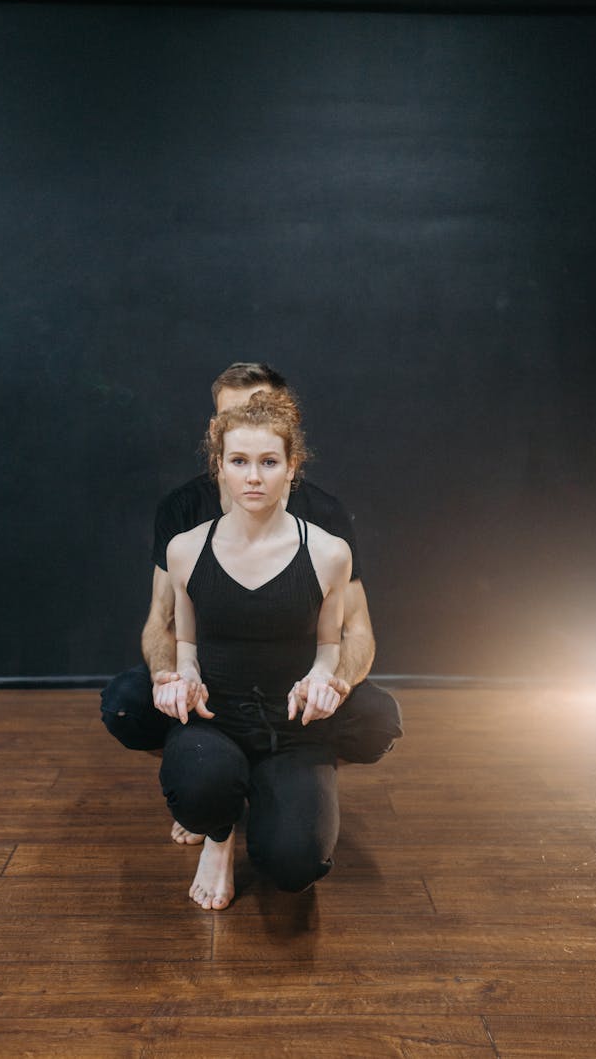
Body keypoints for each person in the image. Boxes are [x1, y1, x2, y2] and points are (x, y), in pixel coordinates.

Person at [100, 363, 402, 848]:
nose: (251, 425)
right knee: (126, 704)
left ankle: (291, 787)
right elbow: (163, 620)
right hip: (215, 675)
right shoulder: (185, 517)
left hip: (293, 680)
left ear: (288, 440)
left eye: (264, 417)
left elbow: (355, 629)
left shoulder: (324, 521)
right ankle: (215, 789)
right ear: (217, 442)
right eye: (235, 430)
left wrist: (332, 681)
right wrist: (172, 676)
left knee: (377, 717)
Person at [160, 391, 352, 908]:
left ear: (292, 468)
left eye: (269, 462)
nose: (253, 477)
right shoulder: (186, 548)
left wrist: (320, 676)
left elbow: (330, 644)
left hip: (291, 731)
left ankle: (279, 802)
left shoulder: (330, 552)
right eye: (239, 461)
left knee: (295, 868)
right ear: (218, 467)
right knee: (200, 786)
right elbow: (185, 639)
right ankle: (219, 837)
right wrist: (184, 674)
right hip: (215, 719)